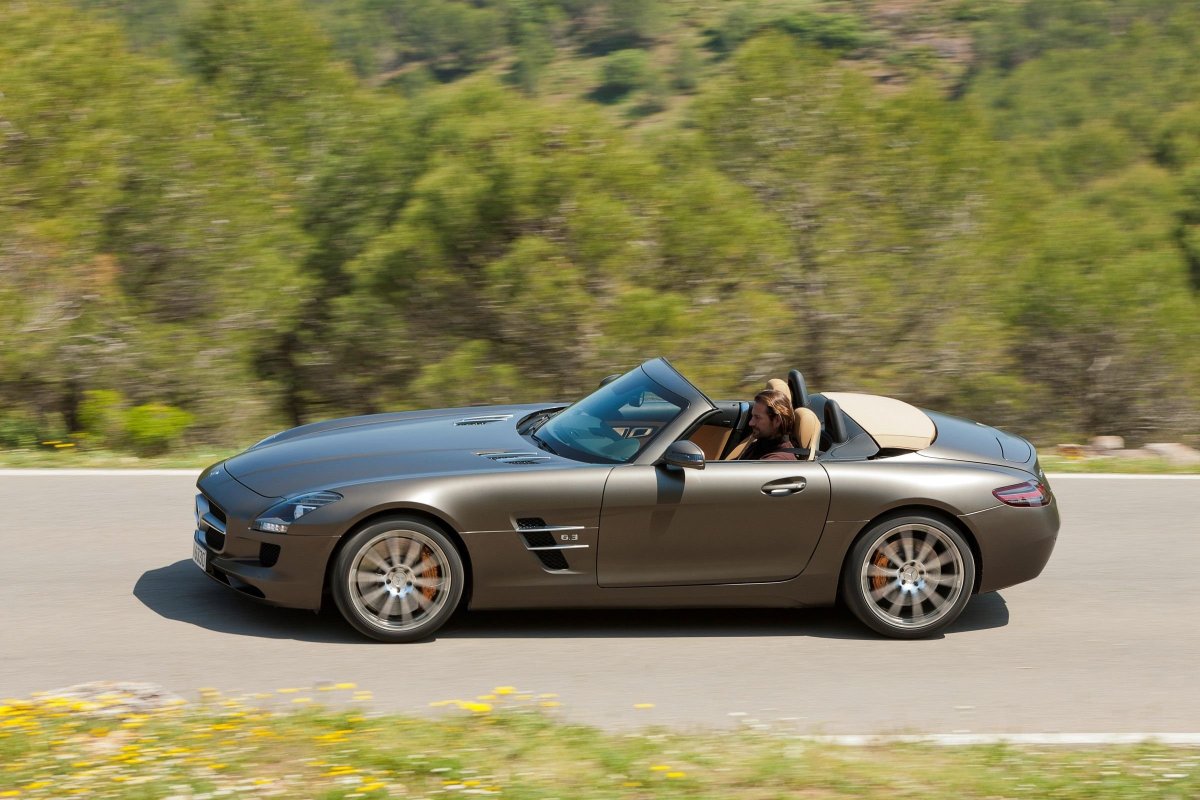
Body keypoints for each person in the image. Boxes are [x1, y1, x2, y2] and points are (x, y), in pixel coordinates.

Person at [739, 389, 800, 461]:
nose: (750, 423)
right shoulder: (759, 445)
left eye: (757, 417)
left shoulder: (777, 460)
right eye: (752, 416)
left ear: (777, 421)